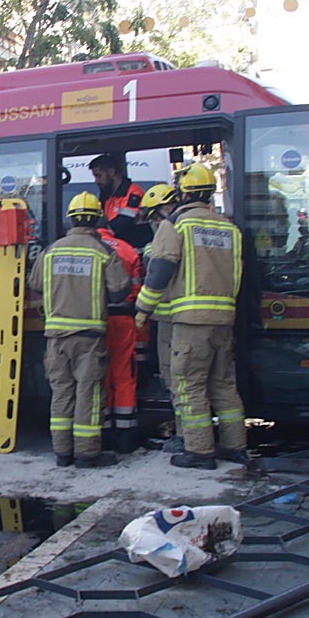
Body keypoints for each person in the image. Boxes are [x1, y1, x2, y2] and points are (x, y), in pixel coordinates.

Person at [134, 164, 246, 470]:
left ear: (183, 193)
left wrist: (143, 309)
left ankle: (199, 452)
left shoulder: (177, 226)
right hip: (224, 320)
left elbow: (160, 269)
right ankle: (235, 447)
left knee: (189, 385)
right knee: (223, 384)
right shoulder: (229, 228)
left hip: (191, 322)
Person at [29, 192, 129, 468]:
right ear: (97, 218)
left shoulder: (50, 251)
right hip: (89, 337)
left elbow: (35, 283)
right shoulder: (103, 252)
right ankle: (87, 453)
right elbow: (121, 291)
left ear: (70, 219)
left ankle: (62, 453)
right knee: (89, 393)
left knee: (61, 393)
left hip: (56, 338)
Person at [138, 183, 183, 452]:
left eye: (155, 216)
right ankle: (229, 443)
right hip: (188, 319)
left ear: (166, 207)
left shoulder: (171, 230)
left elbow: (156, 272)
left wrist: (141, 311)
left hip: (175, 321)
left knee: (178, 381)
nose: (154, 223)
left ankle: (189, 440)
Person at [96, 223, 144, 454]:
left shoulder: (88, 248)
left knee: (100, 376)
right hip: (124, 318)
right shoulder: (127, 249)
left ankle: (103, 431)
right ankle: (125, 436)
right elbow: (137, 289)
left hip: (96, 321)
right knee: (124, 375)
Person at [89, 152, 151, 250]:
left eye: (99, 175)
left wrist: (97, 233)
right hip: (115, 246)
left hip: (133, 248)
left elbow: (123, 222)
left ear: (111, 172)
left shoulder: (134, 193)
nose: (96, 181)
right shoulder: (106, 195)